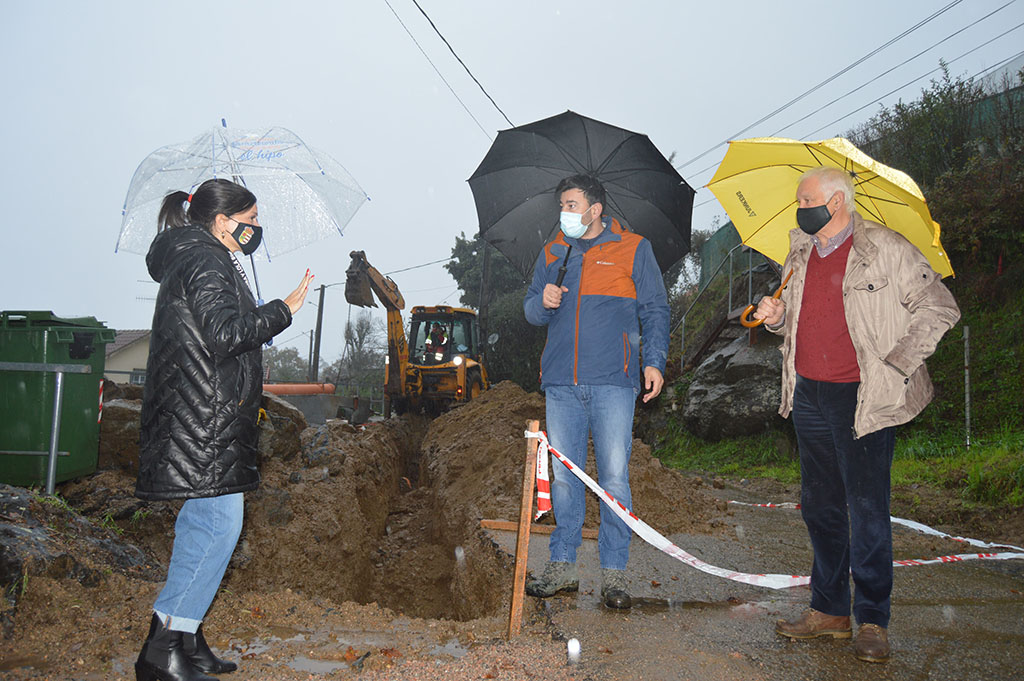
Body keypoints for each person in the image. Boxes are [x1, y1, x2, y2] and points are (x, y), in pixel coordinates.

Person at [754, 166, 959, 663]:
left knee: (866, 510)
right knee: (820, 507)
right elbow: (801, 319)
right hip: (808, 394)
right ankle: (829, 611)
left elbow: (940, 308)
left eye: (807, 200)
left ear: (837, 202)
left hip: (863, 397)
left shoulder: (886, 249)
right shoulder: (800, 253)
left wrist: (897, 363)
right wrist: (778, 319)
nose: (800, 208)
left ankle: (872, 619)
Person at [134, 178, 314, 681]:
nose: (257, 228)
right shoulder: (206, 259)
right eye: (251, 219)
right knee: (217, 528)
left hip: (203, 416)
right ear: (221, 220)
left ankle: (185, 637)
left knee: (203, 527)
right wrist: (283, 310)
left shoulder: (199, 255)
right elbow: (225, 335)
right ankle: (162, 651)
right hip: (205, 420)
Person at [523, 174, 669, 609]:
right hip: (561, 384)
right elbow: (530, 310)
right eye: (562, 205)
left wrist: (654, 361)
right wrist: (542, 301)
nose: (564, 213)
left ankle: (614, 573)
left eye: (571, 204)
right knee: (564, 479)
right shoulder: (553, 252)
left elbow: (655, 308)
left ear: (595, 209)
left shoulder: (634, 248)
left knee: (614, 478)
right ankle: (563, 565)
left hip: (613, 382)